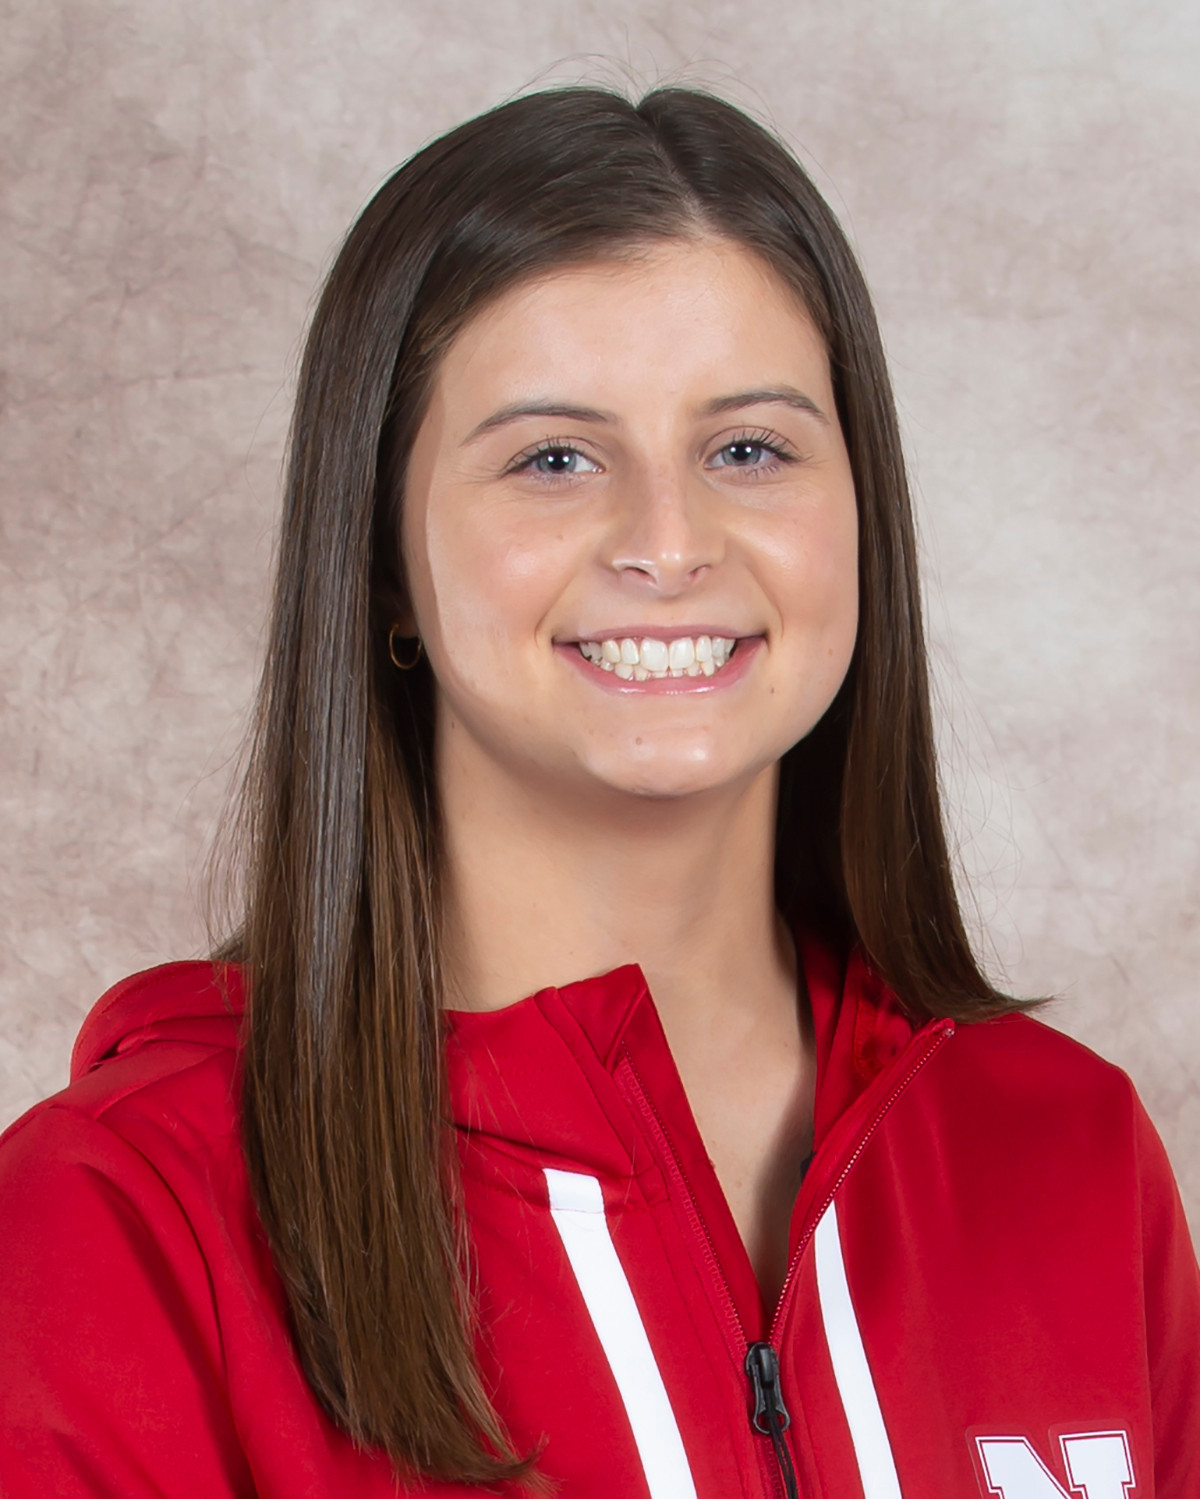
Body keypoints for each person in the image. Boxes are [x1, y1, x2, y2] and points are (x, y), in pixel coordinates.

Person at [0, 83, 1196, 1499]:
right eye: (554, 459)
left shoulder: (1070, 1154)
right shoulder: (127, 1220)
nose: (669, 542)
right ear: (384, 560)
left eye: (749, 449)